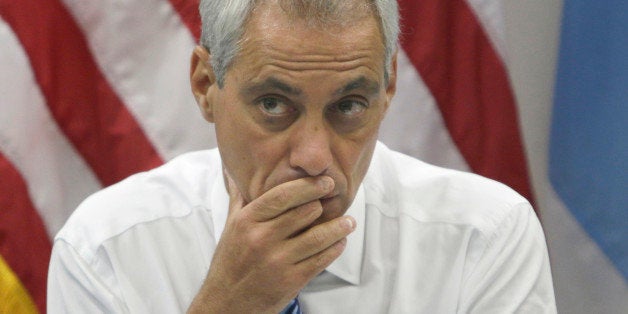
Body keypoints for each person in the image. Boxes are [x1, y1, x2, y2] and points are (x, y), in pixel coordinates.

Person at [47, 0, 557, 313]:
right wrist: (230, 308)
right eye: (273, 105)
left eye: (348, 106)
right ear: (206, 86)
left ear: (389, 88)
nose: (313, 157)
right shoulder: (106, 248)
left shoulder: (484, 236)